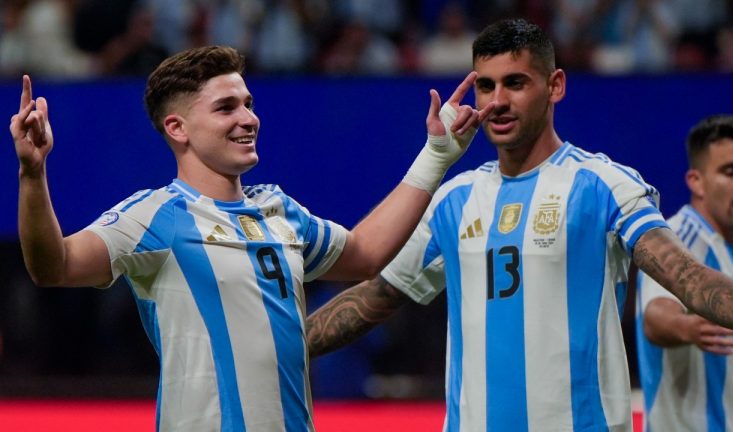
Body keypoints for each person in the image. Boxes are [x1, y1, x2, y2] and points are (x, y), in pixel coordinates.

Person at [305, 18, 733, 431]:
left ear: (555, 85)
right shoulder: (454, 199)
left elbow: (682, 273)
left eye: (515, 83)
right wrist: (283, 344)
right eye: (486, 86)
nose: (498, 102)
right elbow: (375, 296)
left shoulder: (604, 184)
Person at [9, 45, 493, 431]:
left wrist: (437, 154)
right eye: (226, 108)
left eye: (248, 103)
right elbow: (55, 266)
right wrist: (33, 174)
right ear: (177, 128)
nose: (248, 118)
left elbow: (365, 253)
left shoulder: (278, 209)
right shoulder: (154, 215)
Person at [636, 115, 733, 431]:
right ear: (696, 181)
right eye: (731, 171)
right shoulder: (676, 238)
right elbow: (655, 317)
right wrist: (687, 326)